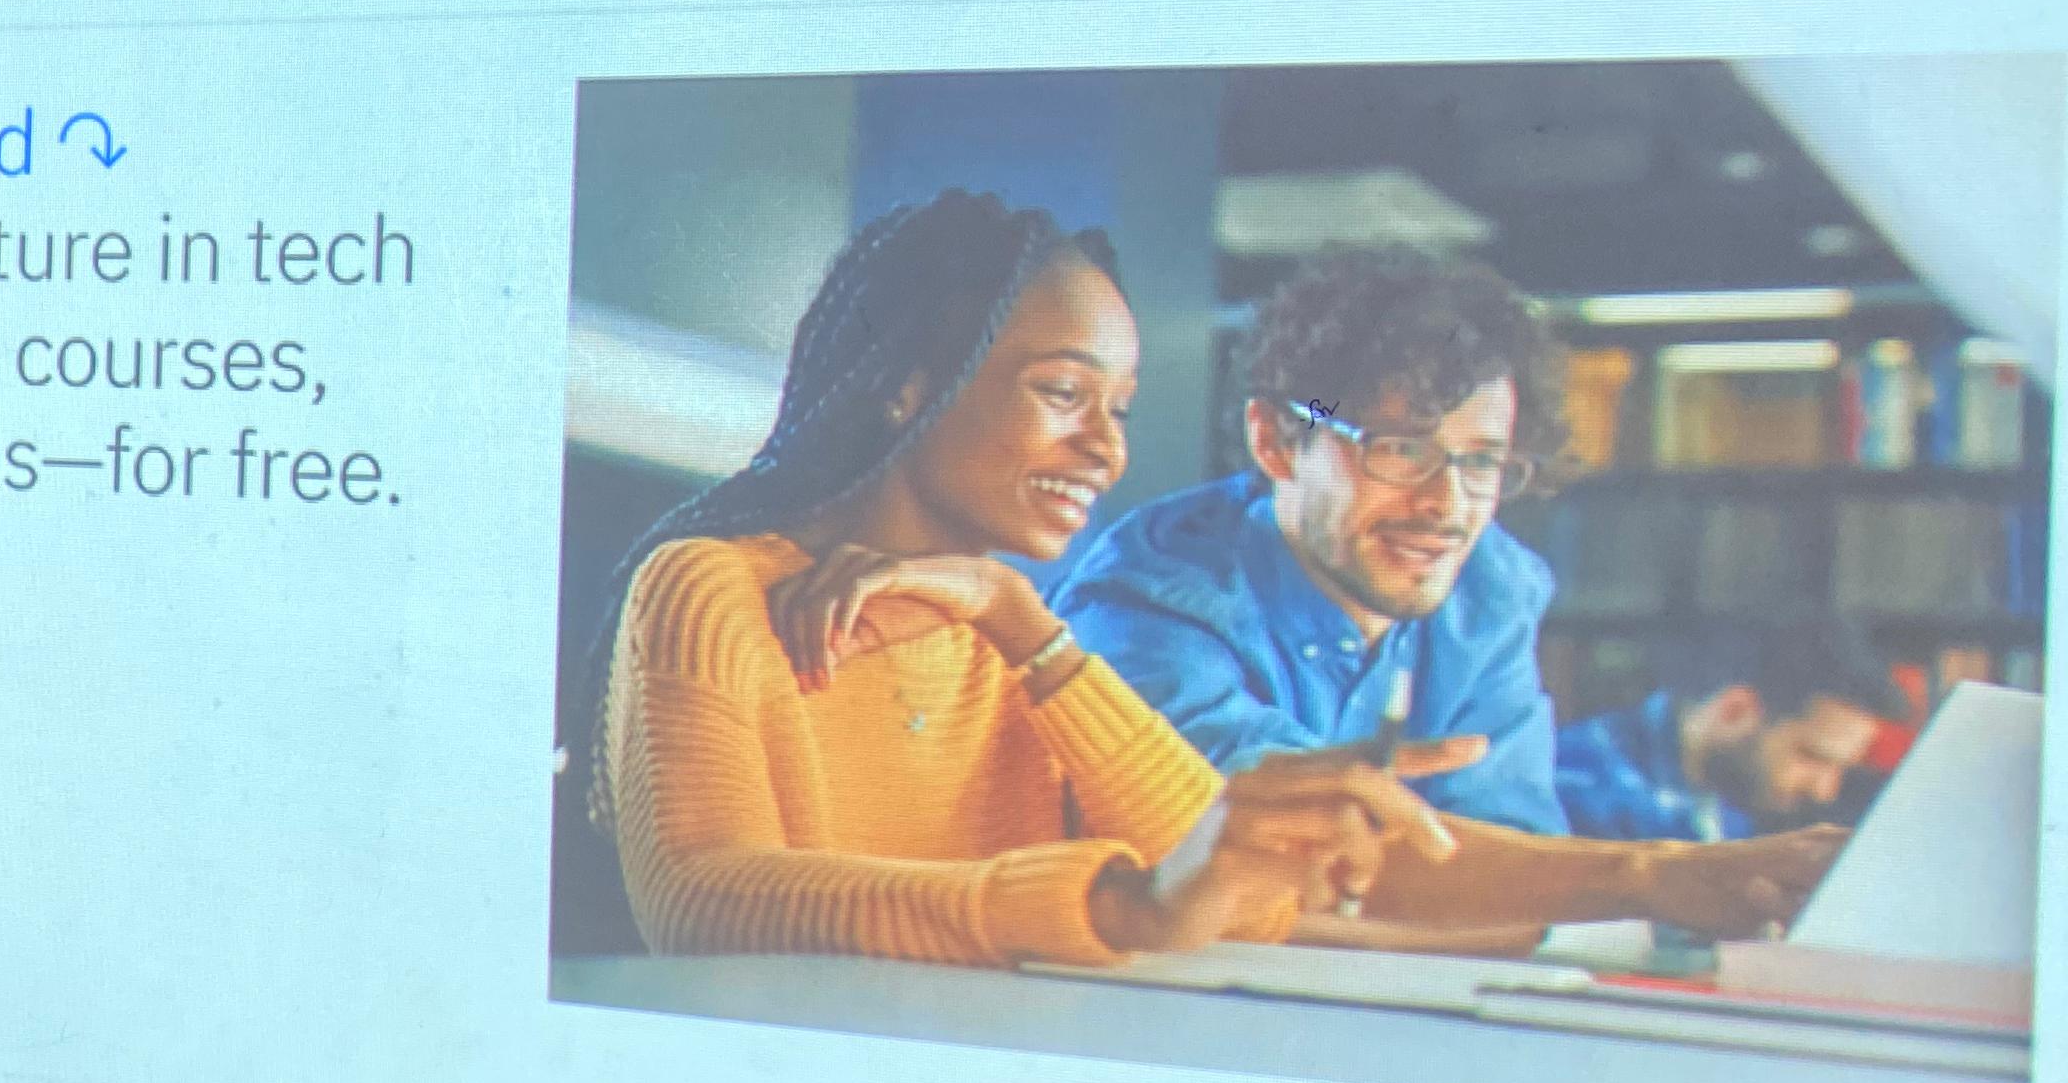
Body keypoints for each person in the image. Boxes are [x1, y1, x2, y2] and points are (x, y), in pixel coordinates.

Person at [570, 190, 1475, 968]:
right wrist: (1109, 908)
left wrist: (1022, 624)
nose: (1107, 451)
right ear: (908, 386)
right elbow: (702, 900)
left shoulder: (1010, 637)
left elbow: (1236, 902)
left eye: (1119, 410)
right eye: (1063, 394)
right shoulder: (709, 585)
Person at [1047, 244, 1839, 939]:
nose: (1447, 506)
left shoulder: (1488, 590)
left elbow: (1513, 872)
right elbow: (1276, 854)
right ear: (1277, 441)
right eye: (1400, 450)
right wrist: (1646, 876)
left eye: (1481, 462)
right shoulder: (1146, 607)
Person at [1552, 622, 1901, 842]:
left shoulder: (1725, 810)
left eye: (1841, 769)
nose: (1825, 791)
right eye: (1812, 757)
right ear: (1735, 710)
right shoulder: (1581, 782)